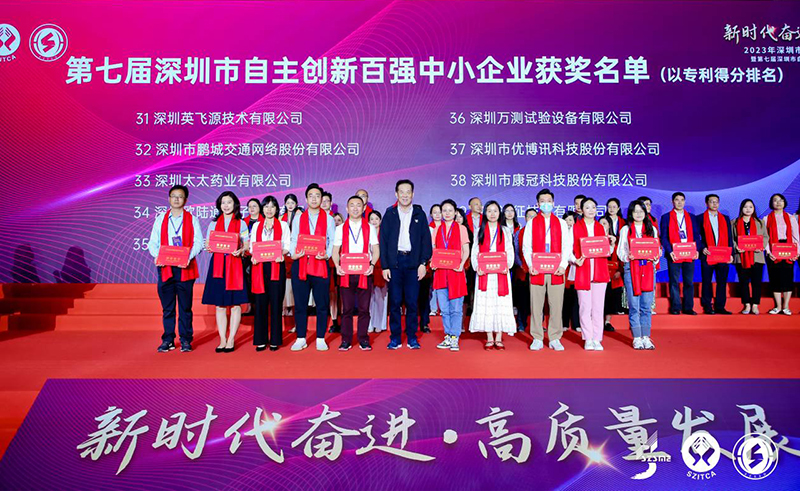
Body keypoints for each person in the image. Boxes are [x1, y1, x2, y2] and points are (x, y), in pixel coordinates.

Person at [148, 185, 204, 353]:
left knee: (185, 307)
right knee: (168, 307)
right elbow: (153, 242)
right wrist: (158, 256)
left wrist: (187, 257)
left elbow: (198, 242)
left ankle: (186, 339)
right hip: (166, 268)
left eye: (180, 196)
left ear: (185, 200)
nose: (176, 199)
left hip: (184, 268)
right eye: (173, 196)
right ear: (169, 199)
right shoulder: (161, 219)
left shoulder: (192, 219)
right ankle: (168, 339)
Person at [379, 179, 433, 350]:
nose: (404, 195)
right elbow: (383, 241)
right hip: (394, 263)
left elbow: (426, 241)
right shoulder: (390, 214)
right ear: (396, 194)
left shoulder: (419, 214)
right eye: (401, 192)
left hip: (413, 263)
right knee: (395, 302)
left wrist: (423, 263)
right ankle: (395, 338)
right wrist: (385, 266)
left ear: (413, 194)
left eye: (408, 192)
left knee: (412, 302)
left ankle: (412, 337)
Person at [522, 188, 572, 351]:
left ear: (554, 203)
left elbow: (567, 246)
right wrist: (531, 265)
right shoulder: (531, 223)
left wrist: (563, 265)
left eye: (549, 201)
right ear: (537, 204)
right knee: (536, 305)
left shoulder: (561, 223)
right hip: (537, 269)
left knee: (556, 305)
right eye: (542, 201)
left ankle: (555, 337)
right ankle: (537, 337)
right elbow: (526, 247)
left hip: (556, 269)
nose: (546, 204)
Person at [289, 183, 337, 351]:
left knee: (322, 304)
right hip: (301, 263)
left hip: (320, 264)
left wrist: (327, 255)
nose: (314, 199)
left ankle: (320, 338)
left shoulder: (328, 219)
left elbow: (332, 241)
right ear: (306, 199)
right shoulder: (298, 218)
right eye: (311, 196)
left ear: (322, 199)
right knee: (300, 304)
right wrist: (293, 253)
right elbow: (294, 239)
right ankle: (301, 337)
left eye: (317, 196)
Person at [202, 191, 250, 352]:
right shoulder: (213, 224)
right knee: (220, 305)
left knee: (236, 304)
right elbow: (208, 243)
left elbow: (247, 244)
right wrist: (209, 247)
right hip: (218, 267)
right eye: (223, 202)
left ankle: (231, 339)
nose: (226, 205)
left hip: (235, 266)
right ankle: (222, 339)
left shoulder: (241, 223)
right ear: (219, 205)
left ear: (235, 204)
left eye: (229, 202)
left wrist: (241, 250)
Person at [333, 196, 380, 351]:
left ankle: (363, 339)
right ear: (347, 209)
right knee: (346, 309)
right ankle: (345, 340)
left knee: (364, 309)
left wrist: (372, 265)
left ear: (364, 208)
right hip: (346, 273)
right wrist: (337, 266)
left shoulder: (370, 227)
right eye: (351, 205)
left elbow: (376, 249)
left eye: (358, 205)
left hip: (364, 272)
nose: (355, 208)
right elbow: (335, 250)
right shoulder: (340, 228)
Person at [469, 201, 516, 349]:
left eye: (495, 211)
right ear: (485, 213)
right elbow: (475, 251)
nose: (492, 214)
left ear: (499, 213)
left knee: (501, 303)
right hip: (485, 274)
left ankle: (499, 337)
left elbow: (509, 250)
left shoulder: (505, 230)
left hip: (501, 273)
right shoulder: (479, 231)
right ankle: (489, 337)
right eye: (489, 211)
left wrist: (507, 265)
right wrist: (477, 267)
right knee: (487, 305)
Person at [617, 200, 661, 350]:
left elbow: (657, 249)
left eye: (641, 211)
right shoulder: (625, 229)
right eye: (635, 211)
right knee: (634, 305)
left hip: (648, 269)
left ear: (645, 212)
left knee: (646, 305)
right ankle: (636, 337)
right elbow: (621, 251)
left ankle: (646, 337)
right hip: (631, 268)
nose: (638, 214)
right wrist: (627, 256)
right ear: (631, 213)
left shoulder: (651, 229)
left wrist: (655, 257)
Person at [571, 198, 612, 351]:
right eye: (587, 207)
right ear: (581, 210)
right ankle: (588, 338)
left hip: (600, 272)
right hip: (583, 271)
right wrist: (575, 260)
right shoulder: (575, 228)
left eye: (593, 207)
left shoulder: (601, 227)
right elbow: (568, 248)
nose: (591, 210)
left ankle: (597, 338)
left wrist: (611, 244)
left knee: (598, 308)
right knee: (585, 307)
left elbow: (607, 251)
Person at [250, 196, 290, 351]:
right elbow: (253, 247)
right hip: (260, 267)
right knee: (260, 303)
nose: (269, 209)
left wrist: (282, 253)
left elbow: (287, 245)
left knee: (275, 303)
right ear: (262, 208)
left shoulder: (283, 225)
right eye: (266, 206)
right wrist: (253, 255)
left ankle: (275, 339)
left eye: (272, 206)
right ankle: (260, 339)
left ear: (276, 209)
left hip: (276, 267)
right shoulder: (256, 226)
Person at [431, 199, 470, 351]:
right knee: (444, 309)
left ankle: (455, 337)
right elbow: (434, 250)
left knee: (456, 308)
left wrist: (462, 264)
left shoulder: (461, 229)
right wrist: (433, 262)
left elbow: (466, 250)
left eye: (450, 210)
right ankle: (447, 335)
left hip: (456, 273)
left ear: (455, 212)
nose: (447, 213)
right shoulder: (437, 229)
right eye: (444, 210)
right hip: (441, 273)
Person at [660, 192, 700, 315]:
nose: (679, 202)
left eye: (682, 200)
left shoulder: (691, 217)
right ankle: (676, 307)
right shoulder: (666, 217)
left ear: (684, 201)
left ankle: (688, 308)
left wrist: (696, 250)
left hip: (689, 252)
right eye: (677, 200)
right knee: (674, 281)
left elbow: (696, 236)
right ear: (672, 202)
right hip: (674, 253)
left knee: (689, 282)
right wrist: (670, 251)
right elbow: (664, 237)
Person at [697, 194, 734, 315]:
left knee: (722, 282)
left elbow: (729, 237)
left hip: (723, 254)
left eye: (716, 202)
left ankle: (720, 306)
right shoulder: (700, 218)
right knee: (706, 281)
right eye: (711, 201)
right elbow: (696, 237)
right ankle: (707, 306)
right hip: (707, 254)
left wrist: (731, 253)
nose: (714, 204)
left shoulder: (725, 218)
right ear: (706, 203)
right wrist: (702, 248)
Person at [732, 199, 768, 315]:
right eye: (745, 207)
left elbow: (765, 237)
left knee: (756, 282)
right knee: (743, 282)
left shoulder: (760, 222)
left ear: (754, 209)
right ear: (741, 208)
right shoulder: (734, 222)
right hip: (741, 256)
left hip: (757, 256)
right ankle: (747, 304)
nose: (748, 209)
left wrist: (761, 246)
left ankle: (755, 305)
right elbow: (731, 238)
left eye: (750, 207)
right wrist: (736, 246)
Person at [765, 193, 799, 315]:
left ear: (784, 202)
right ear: (771, 203)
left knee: (787, 278)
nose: (778, 202)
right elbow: (765, 237)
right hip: (773, 250)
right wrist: (768, 252)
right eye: (775, 200)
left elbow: (796, 236)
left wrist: (797, 252)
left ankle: (786, 307)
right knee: (775, 278)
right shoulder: (766, 218)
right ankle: (778, 307)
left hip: (788, 249)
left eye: (781, 200)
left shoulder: (791, 218)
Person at [418, 204, 442, 334]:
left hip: (427, 266)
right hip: (412, 267)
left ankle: (424, 323)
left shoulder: (430, 230)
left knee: (425, 295)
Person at [599, 215, 623, 332]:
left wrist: (619, 271)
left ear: (609, 225)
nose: (602, 226)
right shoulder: (594, 239)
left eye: (604, 224)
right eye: (600, 224)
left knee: (610, 298)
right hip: (599, 273)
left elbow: (621, 256)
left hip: (613, 275)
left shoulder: (615, 239)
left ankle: (607, 322)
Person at [512, 208, 535, 332]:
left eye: (534, 216)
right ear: (525, 218)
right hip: (522, 271)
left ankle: (538, 325)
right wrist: (521, 265)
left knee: (537, 301)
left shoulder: (542, 231)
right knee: (522, 300)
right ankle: (521, 323)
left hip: (538, 271)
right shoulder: (519, 233)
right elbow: (515, 251)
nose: (531, 219)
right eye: (529, 216)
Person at [281, 193, 302, 319]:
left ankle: (294, 313)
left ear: (296, 204)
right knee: (284, 284)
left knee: (294, 285)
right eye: (288, 203)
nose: (290, 205)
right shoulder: (281, 218)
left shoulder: (300, 215)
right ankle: (285, 310)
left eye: (292, 203)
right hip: (284, 253)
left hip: (295, 253)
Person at [368, 210, 389, 333]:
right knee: (369, 297)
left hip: (381, 268)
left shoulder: (384, 234)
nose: (374, 221)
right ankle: (370, 323)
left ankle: (380, 323)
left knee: (381, 297)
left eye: (376, 219)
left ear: (380, 221)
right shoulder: (366, 233)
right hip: (368, 267)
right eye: (372, 219)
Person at [638, 195, 659, 315]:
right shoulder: (632, 223)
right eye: (645, 204)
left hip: (650, 257)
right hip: (637, 257)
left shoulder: (653, 220)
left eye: (649, 204)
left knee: (651, 281)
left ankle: (650, 306)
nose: (648, 207)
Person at [242, 198, 263, 316]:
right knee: (247, 282)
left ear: (259, 207)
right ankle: (250, 306)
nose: (252, 208)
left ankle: (259, 306)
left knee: (259, 281)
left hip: (260, 256)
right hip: (246, 255)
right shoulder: (243, 222)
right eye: (249, 206)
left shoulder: (264, 220)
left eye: (254, 206)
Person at [561, 211, 581, 333]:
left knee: (576, 297)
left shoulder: (578, 233)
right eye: (566, 220)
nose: (568, 223)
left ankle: (576, 323)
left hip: (575, 267)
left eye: (570, 220)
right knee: (564, 298)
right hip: (563, 268)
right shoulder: (560, 232)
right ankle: (564, 322)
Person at [464, 197, 483, 316]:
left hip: (482, 255)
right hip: (468, 255)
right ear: (469, 206)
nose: (479, 206)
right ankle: (469, 306)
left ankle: (479, 306)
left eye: (480, 204)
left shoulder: (485, 219)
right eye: (476, 204)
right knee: (469, 282)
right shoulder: (465, 220)